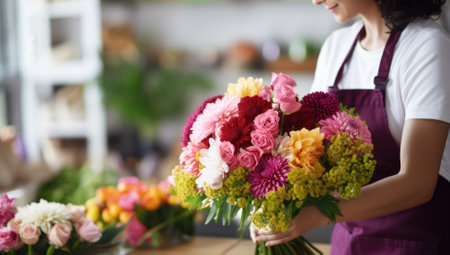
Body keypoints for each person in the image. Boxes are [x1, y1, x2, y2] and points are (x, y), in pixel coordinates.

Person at [251, 0, 450, 254]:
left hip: (414, 243)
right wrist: (271, 207)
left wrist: (319, 213)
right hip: (348, 244)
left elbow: (418, 183)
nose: (316, 0)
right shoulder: (336, 46)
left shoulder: (427, 46)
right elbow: (310, 151)